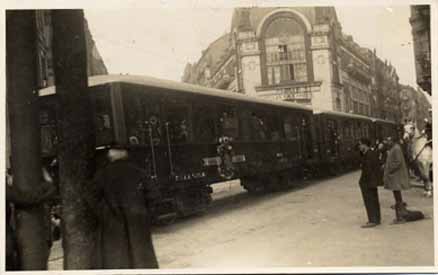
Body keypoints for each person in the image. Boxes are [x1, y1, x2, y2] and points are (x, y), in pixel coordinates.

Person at [90, 144, 159, 269]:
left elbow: (91, 197)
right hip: (137, 220)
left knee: (117, 259)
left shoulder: (102, 174)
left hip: (112, 222)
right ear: (125, 154)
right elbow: (153, 195)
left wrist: (103, 214)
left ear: (111, 155)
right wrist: (145, 214)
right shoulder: (139, 172)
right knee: (141, 259)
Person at [383, 136, 411, 223]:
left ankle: (401, 217)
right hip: (395, 176)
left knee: (398, 197)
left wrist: (389, 169)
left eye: (388, 140)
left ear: (392, 140)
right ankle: (400, 216)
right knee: (397, 196)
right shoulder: (394, 148)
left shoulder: (396, 148)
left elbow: (398, 162)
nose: (387, 142)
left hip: (396, 176)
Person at [358, 138, 382, 228]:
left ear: (365, 145)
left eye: (360, 145)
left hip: (368, 182)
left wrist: (362, 182)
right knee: (374, 200)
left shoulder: (369, 155)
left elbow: (368, 170)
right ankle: (376, 219)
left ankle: (373, 220)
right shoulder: (370, 153)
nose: (359, 146)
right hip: (371, 182)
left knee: (370, 201)